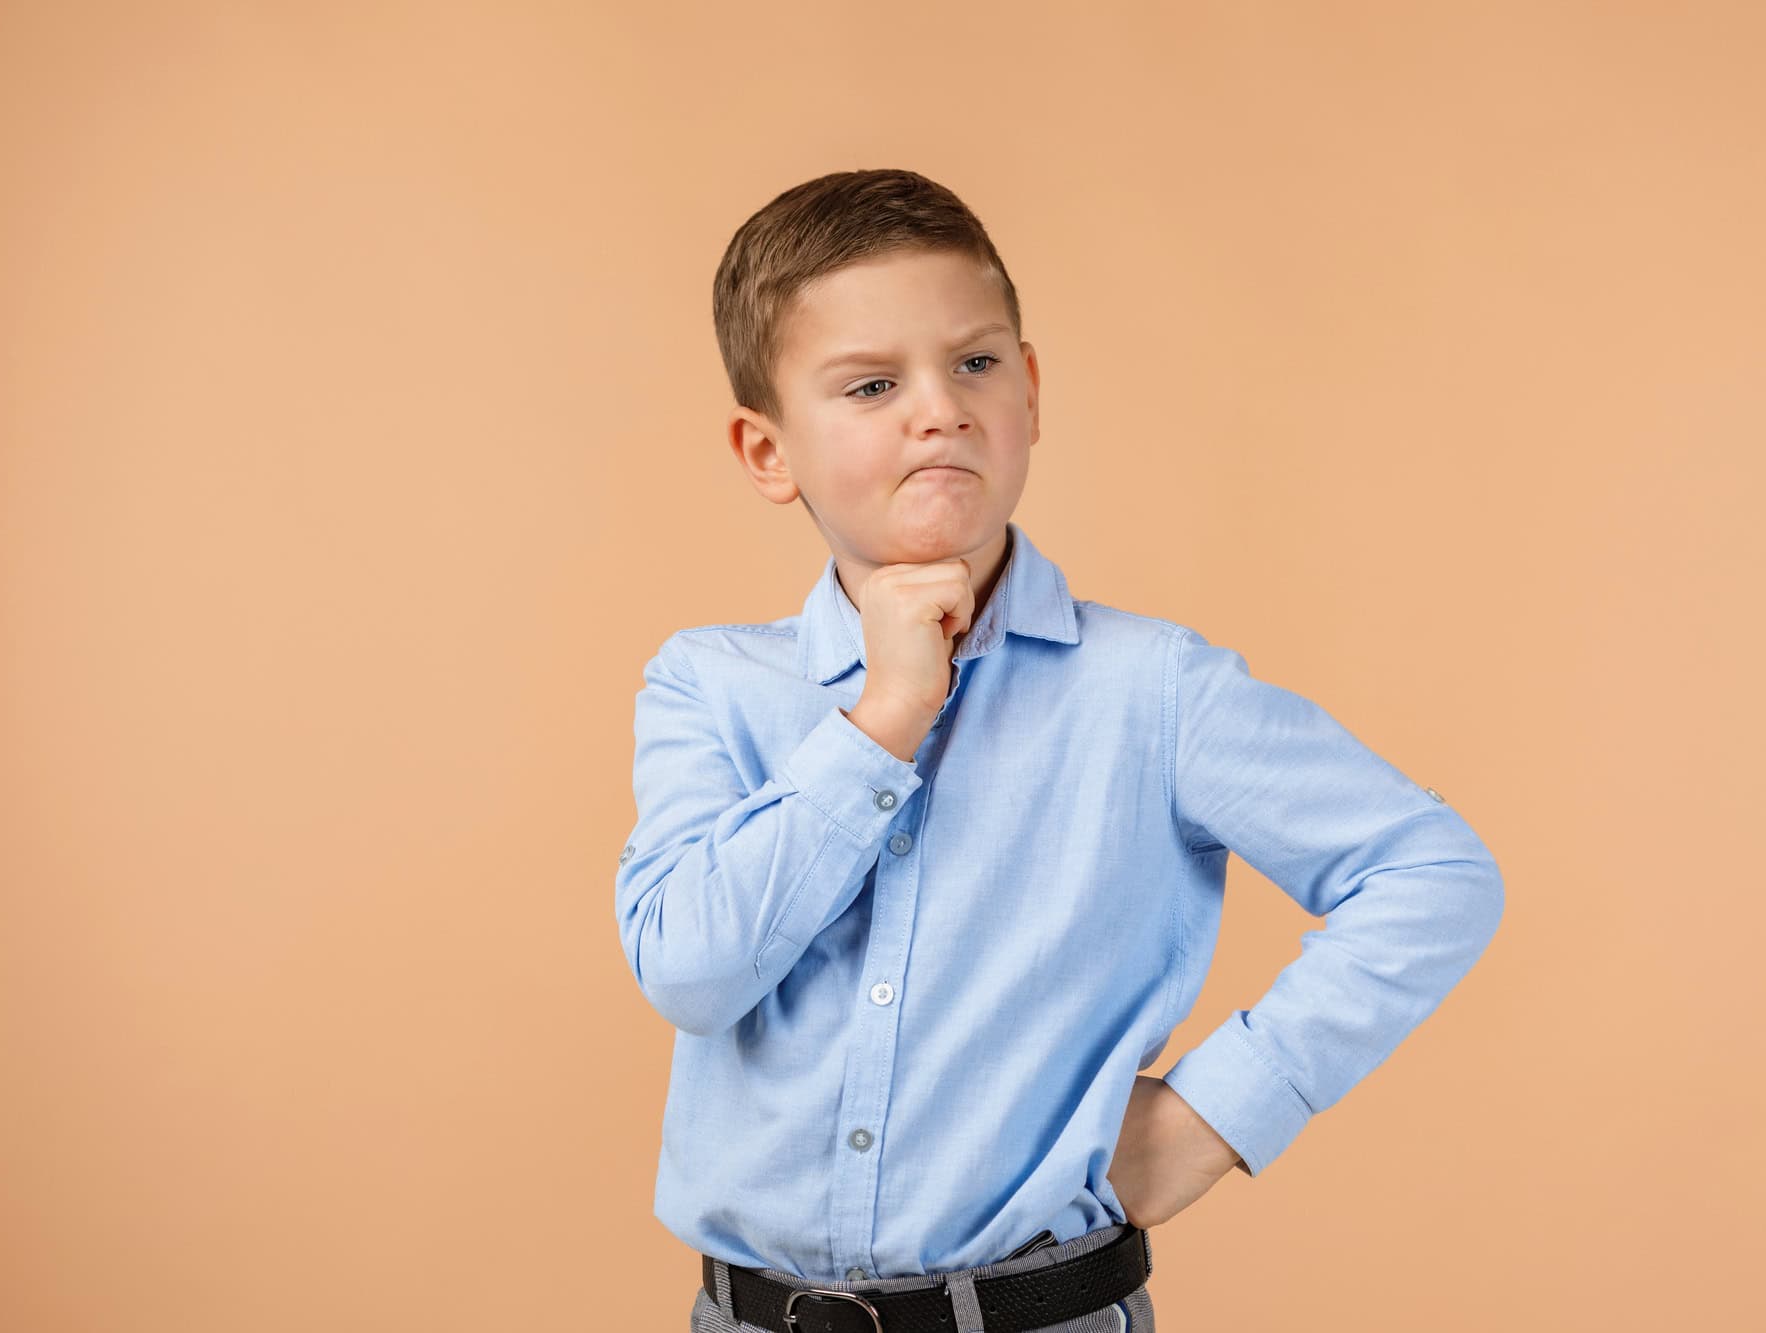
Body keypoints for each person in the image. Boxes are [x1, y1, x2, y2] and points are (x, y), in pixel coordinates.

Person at [616, 168, 1506, 1332]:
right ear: (765, 451)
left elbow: (1431, 871)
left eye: (974, 362)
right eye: (872, 382)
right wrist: (883, 715)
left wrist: (1221, 1112)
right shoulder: (711, 683)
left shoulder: (1152, 690)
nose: (936, 407)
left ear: (1029, 394)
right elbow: (689, 968)